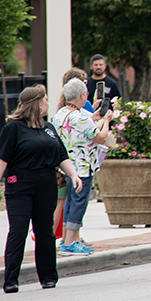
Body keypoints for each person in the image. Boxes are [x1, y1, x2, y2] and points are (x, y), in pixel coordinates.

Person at [0, 86, 84, 293]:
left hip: (46, 183)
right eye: (45, 99)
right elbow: (1, 160)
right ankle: (11, 279)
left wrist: (73, 174)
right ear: (37, 103)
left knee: (45, 230)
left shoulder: (49, 128)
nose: (48, 103)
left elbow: (61, 156)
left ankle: (48, 277)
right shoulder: (13, 128)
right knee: (18, 230)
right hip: (20, 184)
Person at [52, 79, 115, 255]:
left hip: (66, 166)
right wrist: (106, 121)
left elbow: (79, 126)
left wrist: (93, 118)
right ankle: (70, 243)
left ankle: (67, 239)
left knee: (70, 202)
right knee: (79, 203)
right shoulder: (80, 118)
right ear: (82, 95)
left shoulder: (60, 114)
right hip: (83, 167)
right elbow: (100, 137)